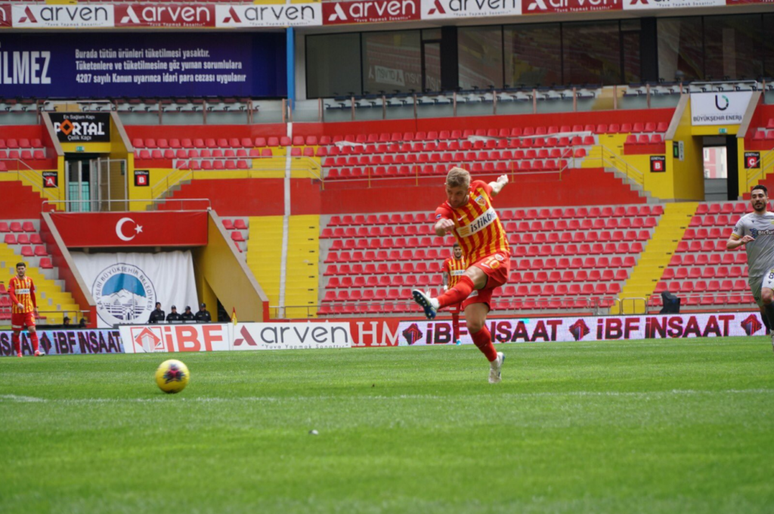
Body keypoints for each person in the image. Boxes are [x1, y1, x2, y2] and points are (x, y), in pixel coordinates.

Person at [412, 167, 510, 383]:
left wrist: (501, 183)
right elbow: (438, 226)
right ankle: (496, 363)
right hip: (475, 262)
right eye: (449, 192)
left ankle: (435, 302)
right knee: (474, 325)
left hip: (498, 254)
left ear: (468, 188)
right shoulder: (446, 209)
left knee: (470, 275)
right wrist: (441, 226)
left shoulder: (480, 190)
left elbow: (492, 188)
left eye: (458, 193)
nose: (453, 198)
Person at [727, 184, 774, 351]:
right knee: (763, 307)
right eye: (754, 196)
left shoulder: (773, 218)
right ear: (751, 200)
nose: (757, 199)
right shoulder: (745, 221)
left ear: (767, 198)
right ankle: (771, 331)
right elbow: (729, 244)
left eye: (761, 195)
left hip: (772, 268)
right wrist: (741, 241)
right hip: (755, 272)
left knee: (767, 296)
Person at [9, 262, 43, 357]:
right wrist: (18, 303)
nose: (21, 270)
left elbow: (32, 294)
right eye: (19, 269)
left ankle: (36, 351)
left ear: (25, 269)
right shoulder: (13, 281)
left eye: (22, 268)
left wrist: (35, 307)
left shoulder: (29, 280)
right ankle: (19, 353)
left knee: (32, 328)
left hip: (28, 309)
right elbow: (11, 293)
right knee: (16, 332)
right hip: (17, 311)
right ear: (16, 270)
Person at [441, 242, 469, 345]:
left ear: (462, 250)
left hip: (466, 292)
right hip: (454, 293)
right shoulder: (447, 262)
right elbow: (444, 275)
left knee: (471, 315)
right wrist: (445, 287)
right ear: (453, 250)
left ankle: (479, 337)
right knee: (455, 317)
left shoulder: (466, 260)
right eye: (456, 250)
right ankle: (458, 339)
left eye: (459, 249)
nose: (458, 251)